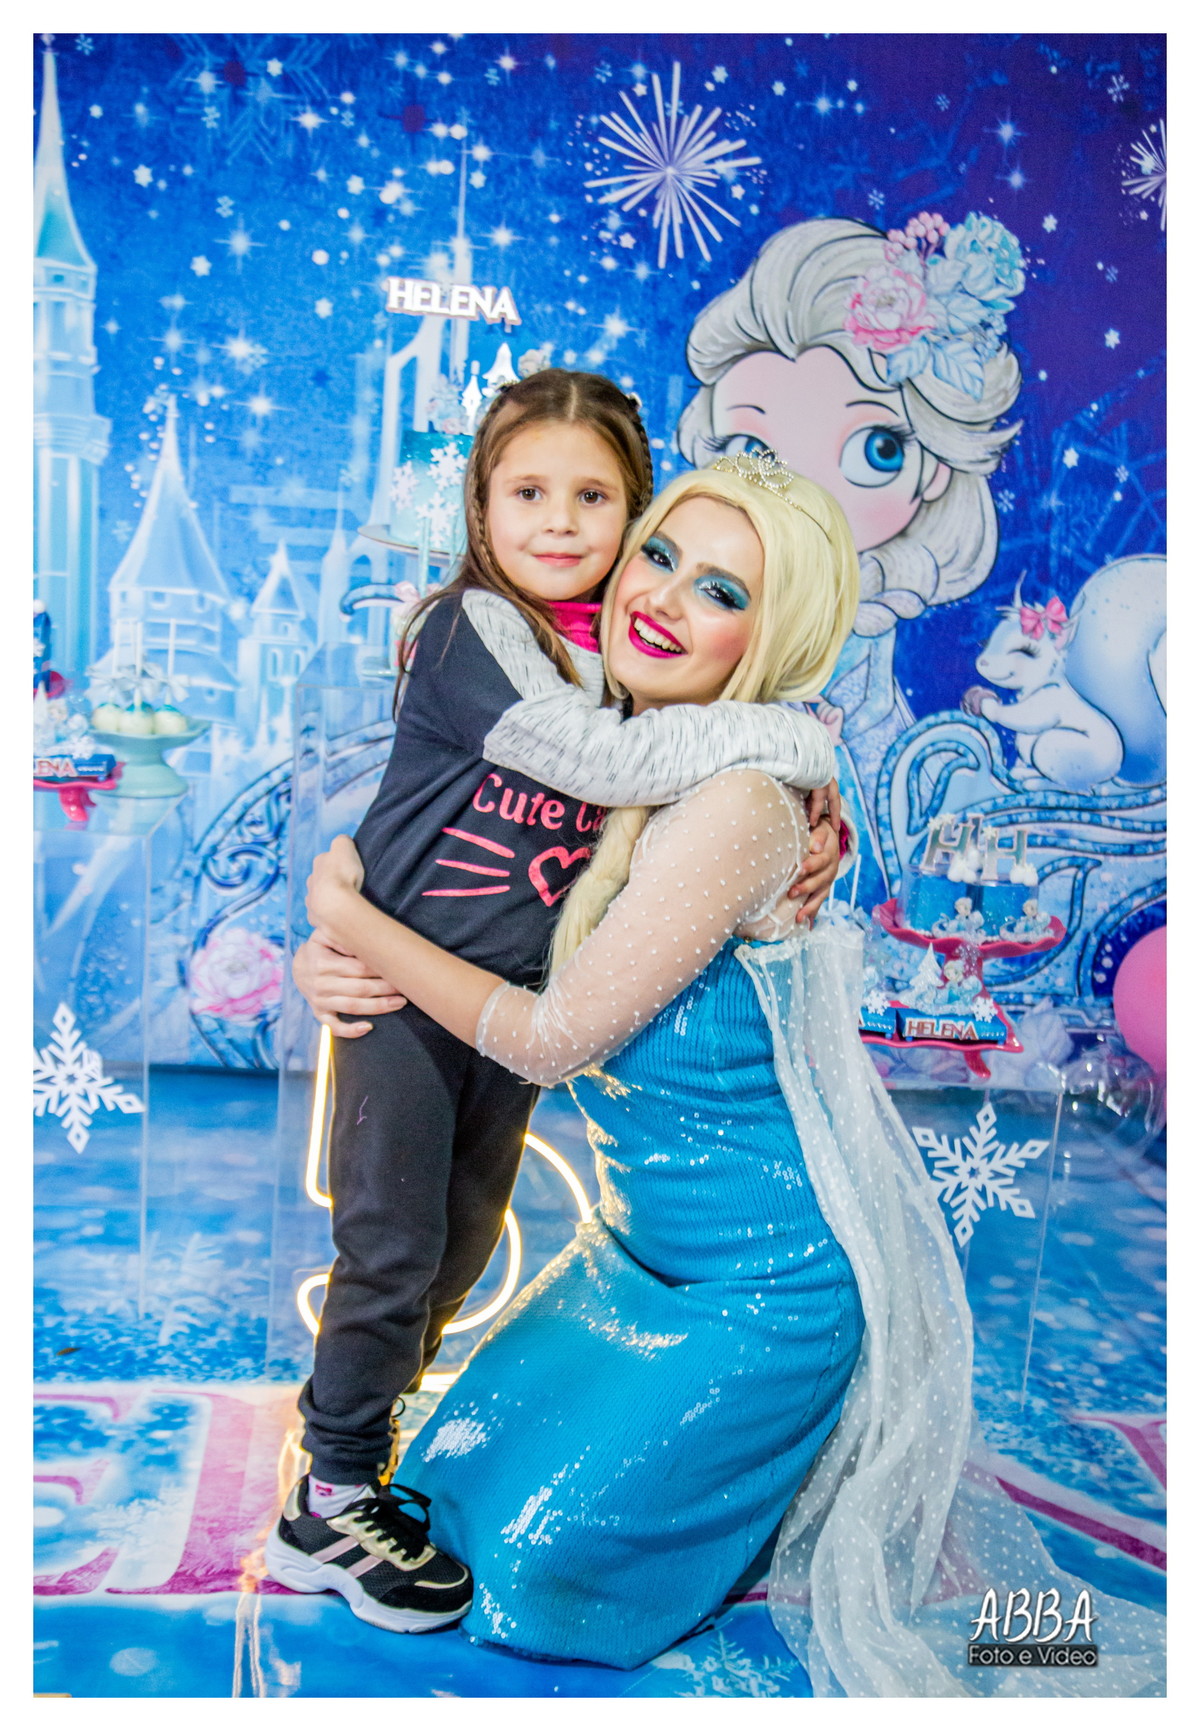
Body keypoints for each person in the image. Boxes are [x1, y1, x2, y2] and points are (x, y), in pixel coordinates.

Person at [300, 453, 1165, 1696]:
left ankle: (773, 1499)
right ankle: (741, 1508)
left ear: (775, 638)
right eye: (658, 556)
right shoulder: (606, 759)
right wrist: (331, 960)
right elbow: (462, 893)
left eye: (722, 591)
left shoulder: (740, 805)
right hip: (629, 1259)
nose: (662, 598)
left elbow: (546, 1039)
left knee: (537, 1581)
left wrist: (347, 916)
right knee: (444, 1505)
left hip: (763, 1290)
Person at [266, 373, 848, 1634]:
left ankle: (362, 1459)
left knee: (459, 1245)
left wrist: (807, 792)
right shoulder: (472, 629)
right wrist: (798, 740)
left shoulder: (612, 660)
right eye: (527, 492)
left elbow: (673, 773)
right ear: (478, 506)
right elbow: (602, 763)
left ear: (632, 513)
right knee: (388, 1249)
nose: (560, 523)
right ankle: (330, 1492)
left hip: (499, 1015)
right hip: (409, 1000)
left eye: (595, 499)